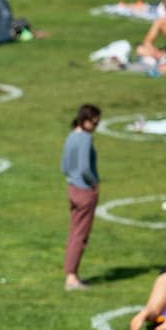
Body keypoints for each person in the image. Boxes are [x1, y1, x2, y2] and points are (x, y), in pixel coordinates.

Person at [60, 104, 101, 291]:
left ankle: (70, 272)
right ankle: (71, 277)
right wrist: (93, 183)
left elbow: (64, 166)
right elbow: (85, 167)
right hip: (84, 190)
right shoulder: (84, 139)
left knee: (74, 232)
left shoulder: (71, 137)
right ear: (86, 120)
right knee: (80, 234)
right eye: (95, 122)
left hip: (72, 188)